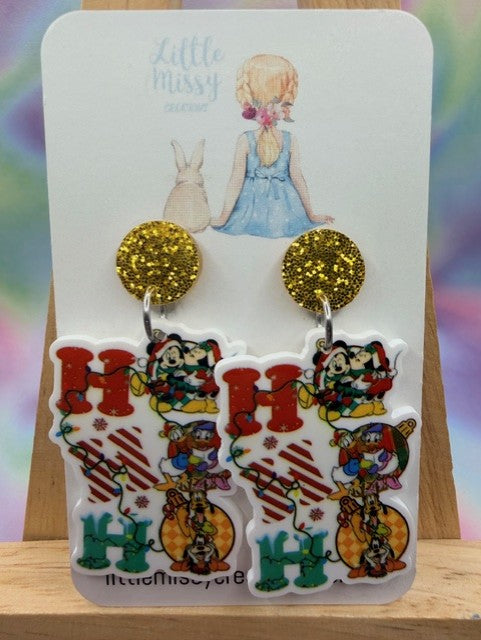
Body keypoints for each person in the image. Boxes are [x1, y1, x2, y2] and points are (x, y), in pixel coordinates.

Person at [211, 54, 333, 238]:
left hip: (250, 213)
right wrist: (311, 215)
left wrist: (223, 217)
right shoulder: (290, 139)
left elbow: (236, 180)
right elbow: (297, 178)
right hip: (286, 213)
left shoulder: (246, 140)